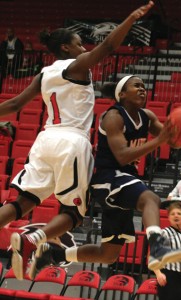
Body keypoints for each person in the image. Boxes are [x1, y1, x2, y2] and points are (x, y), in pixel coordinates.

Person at [0, 1, 156, 281]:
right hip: (72, 142)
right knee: (73, 213)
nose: (84, 48)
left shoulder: (44, 73)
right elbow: (107, 48)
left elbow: (14, 104)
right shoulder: (77, 66)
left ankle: (30, 238)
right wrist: (130, 19)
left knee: (23, 201)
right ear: (66, 49)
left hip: (45, 138)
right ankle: (32, 240)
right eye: (79, 44)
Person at [29, 74, 181, 280]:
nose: (142, 89)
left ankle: (54, 253)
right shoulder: (113, 116)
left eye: (144, 86)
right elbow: (122, 156)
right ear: (121, 94)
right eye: (136, 86)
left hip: (125, 182)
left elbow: (173, 141)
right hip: (107, 178)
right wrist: (160, 140)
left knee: (108, 255)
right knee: (152, 199)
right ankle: (157, 246)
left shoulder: (147, 116)